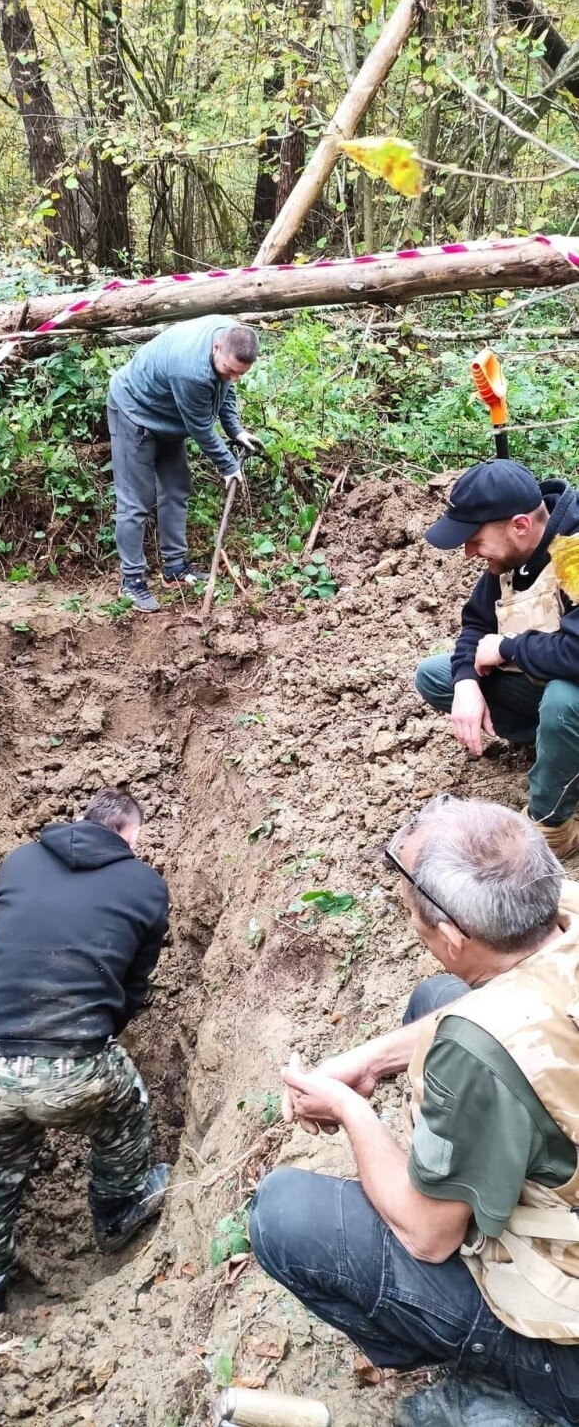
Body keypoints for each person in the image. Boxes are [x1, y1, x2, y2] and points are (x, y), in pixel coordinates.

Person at [250, 795, 579, 1427]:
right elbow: (496, 1013)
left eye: (416, 917)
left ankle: (521, 1387)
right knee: (440, 998)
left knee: (285, 1214)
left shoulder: (474, 1049)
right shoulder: (563, 910)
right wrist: (372, 1060)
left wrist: (349, 1108)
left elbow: (429, 1237)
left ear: (453, 936)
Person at [0, 787, 170, 1320]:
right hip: (74, 1066)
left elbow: (10, 943)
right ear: (128, 833)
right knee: (127, 1107)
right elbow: (133, 988)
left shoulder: (18, 862)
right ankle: (118, 1212)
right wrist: (95, 1032)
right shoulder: (145, 886)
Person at [415, 459, 579, 858]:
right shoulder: (513, 553)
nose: (469, 551)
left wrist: (506, 648)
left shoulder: (572, 553)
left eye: (474, 538)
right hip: (553, 683)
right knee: (437, 677)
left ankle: (553, 826)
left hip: (569, 689)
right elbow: (475, 623)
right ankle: (560, 751)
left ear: (520, 524)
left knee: (563, 701)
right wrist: (467, 682)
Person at [107, 315, 262, 611]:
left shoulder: (232, 336)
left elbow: (225, 388)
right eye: (230, 369)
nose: (234, 377)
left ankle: (175, 568)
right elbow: (201, 428)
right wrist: (229, 466)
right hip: (135, 411)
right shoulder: (190, 371)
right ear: (216, 348)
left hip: (168, 417)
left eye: (241, 373)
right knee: (135, 502)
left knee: (177, 490)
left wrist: (236, 430)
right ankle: (132, 582)